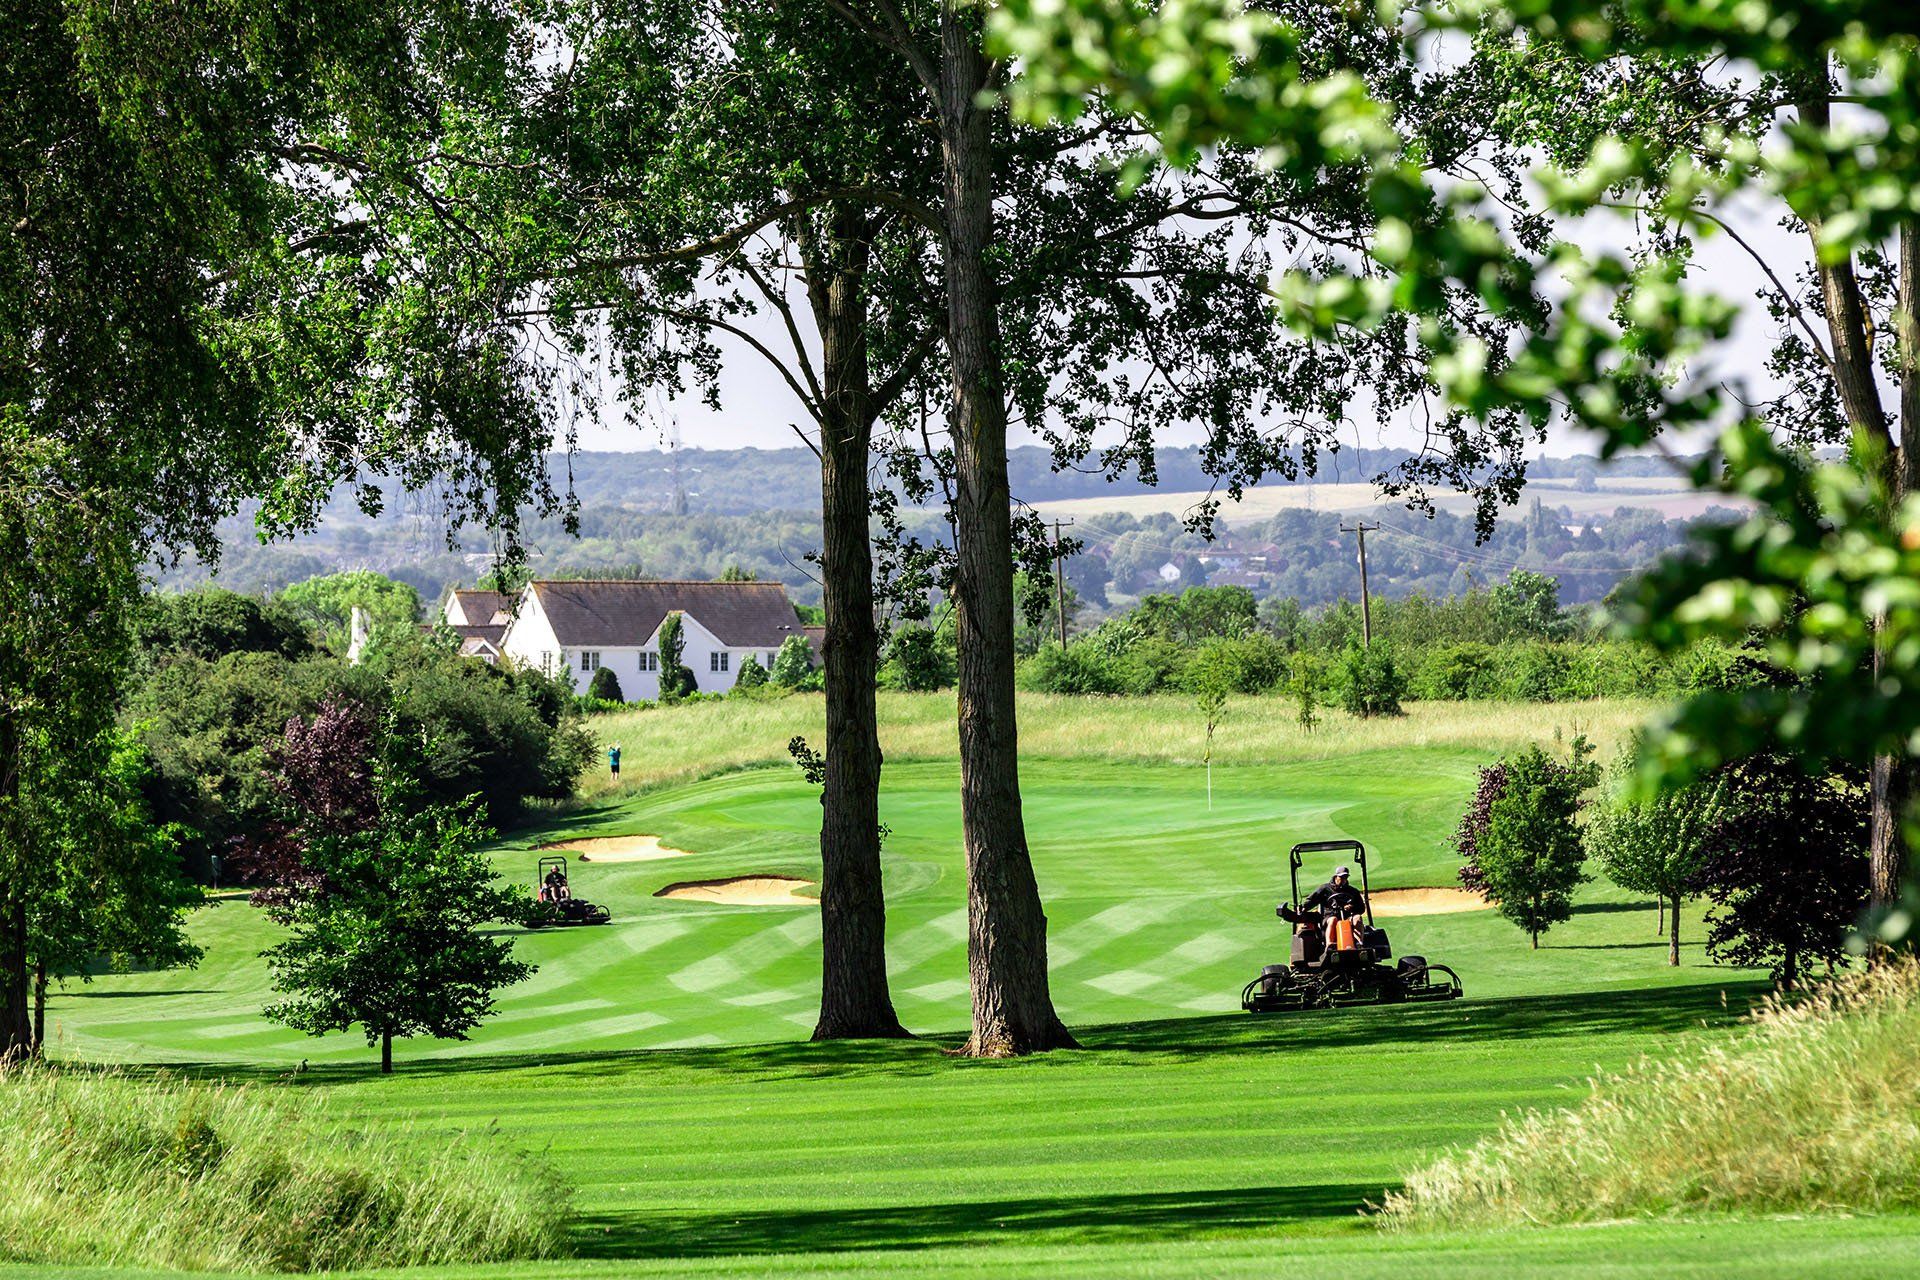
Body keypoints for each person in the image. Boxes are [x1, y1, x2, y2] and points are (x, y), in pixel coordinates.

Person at [1302, 865, 1367, 950]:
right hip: (1328, 916)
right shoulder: (1325, 889)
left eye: (1346, 877)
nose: (1344, 879)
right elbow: (1311, 900)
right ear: (1336, 876)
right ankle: (1329, 945)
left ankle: (1359, 943)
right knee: (1333, 920)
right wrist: (1304, 907)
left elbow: (1361, 908)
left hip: (1346, 916)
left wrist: (1352, 907)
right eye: (1342, 877)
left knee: (1357, 918)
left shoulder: (1352, 891)